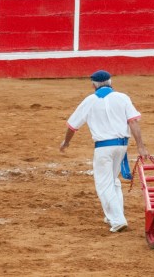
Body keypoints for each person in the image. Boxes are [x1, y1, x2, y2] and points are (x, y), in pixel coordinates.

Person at [60, 70, 148, 233]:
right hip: (122, 146)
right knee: (113, 180)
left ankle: (117, 220)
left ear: (93, 84)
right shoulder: (122, 98)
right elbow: (133, 123)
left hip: (103, 148)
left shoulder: (90, 100)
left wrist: (66, 142)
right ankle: (113, 215)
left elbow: (73, 126)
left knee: (104, 184)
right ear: (110, 81)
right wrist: (141, 146)